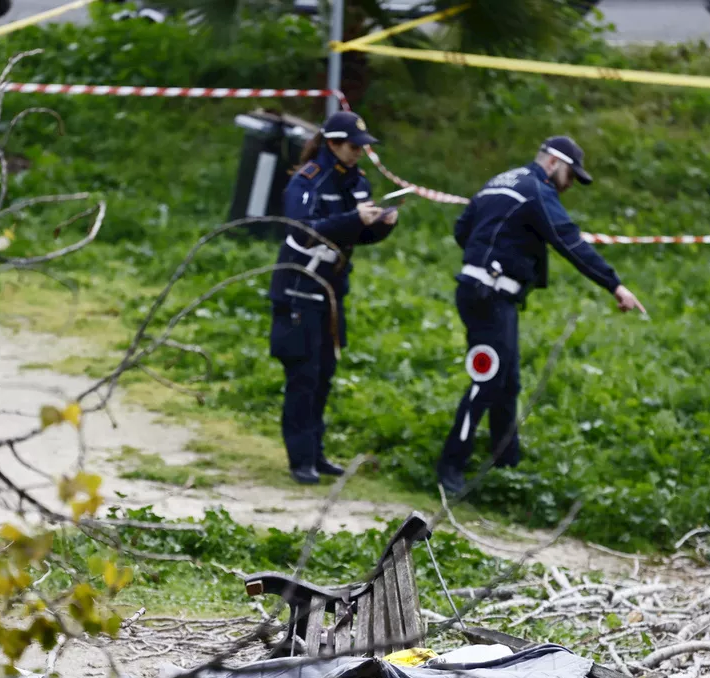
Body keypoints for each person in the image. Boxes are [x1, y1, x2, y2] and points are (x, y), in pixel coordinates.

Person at [435, 136, 647, 496]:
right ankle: (450, 468)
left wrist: (489, 256)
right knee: (487, 380)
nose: (569, 186)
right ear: (553, 163)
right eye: (570, 176)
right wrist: (615, 285)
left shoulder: (501, 180)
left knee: (507, 382)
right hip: (491, 295)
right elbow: (569, 241)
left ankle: (506, 465)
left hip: (483, 292)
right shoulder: (537, 189)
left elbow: (462, 229)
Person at [268, 111, 399, 485]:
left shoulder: (357, 182)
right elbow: (304, 232)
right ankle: (300, 459)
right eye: (353, 146)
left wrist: (381, 226)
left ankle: (317, 453)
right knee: (303, 375)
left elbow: (356, 234)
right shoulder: (307, 180)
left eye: (363, 147)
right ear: (333, 144)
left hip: (331, 292)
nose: (360, 152)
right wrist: (355, 218)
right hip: (299, 288)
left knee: (324, 373)